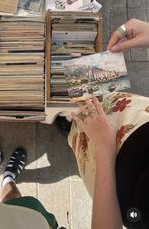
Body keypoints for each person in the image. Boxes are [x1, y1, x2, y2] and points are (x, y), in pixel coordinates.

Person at [56, 18, 149, 229]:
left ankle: (72, 127)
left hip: (111, 176)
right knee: (100, 100)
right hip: (137, 119)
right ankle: (74, 121)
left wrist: (103, 145)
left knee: (82, 128)